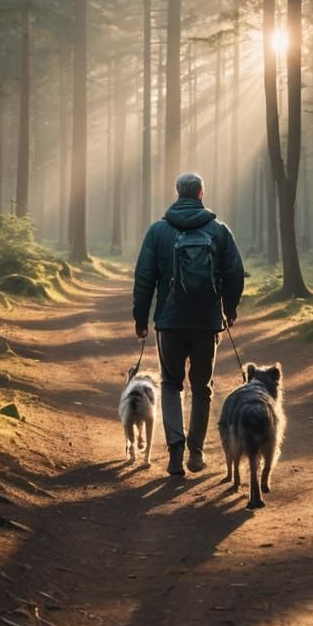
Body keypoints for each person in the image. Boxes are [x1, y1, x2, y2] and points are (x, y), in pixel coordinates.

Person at [132, 172, 245, 476]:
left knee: (170, 385)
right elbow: (234, 273)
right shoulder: (219, 231)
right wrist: (229, 310)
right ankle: (196, 453)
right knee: (202, 388)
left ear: (177, 193)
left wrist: (140, 319)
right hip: (207, 322)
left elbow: (144, 278)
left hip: (169, 323)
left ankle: (174, 452)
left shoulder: (158, 232)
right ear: (201, 194)